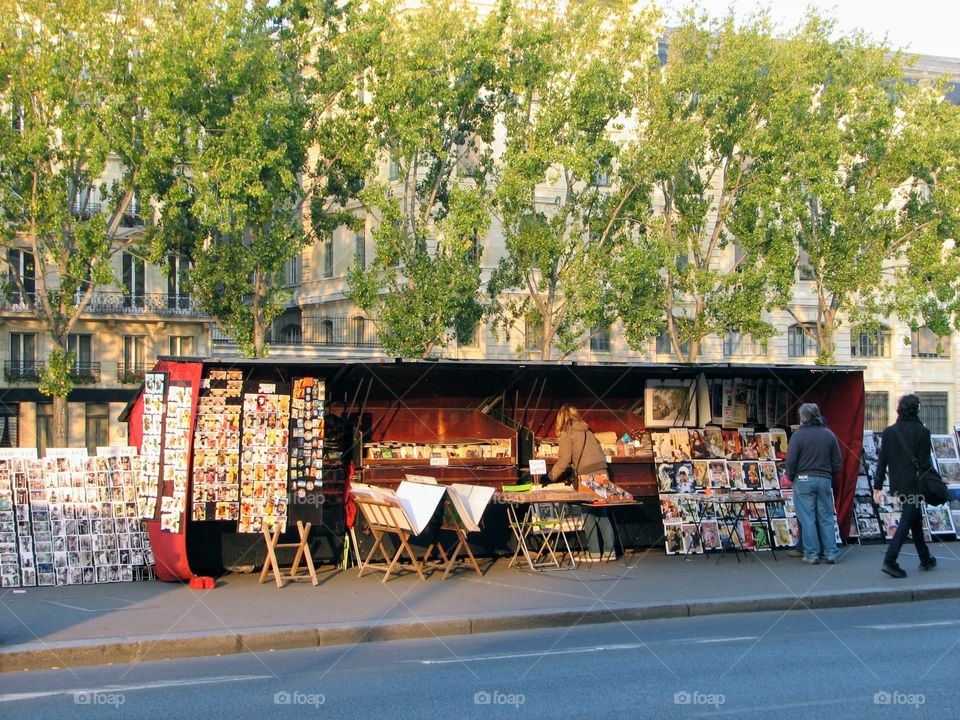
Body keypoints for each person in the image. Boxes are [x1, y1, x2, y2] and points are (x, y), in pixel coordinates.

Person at [873, 394, 936, 578]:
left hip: (898, 484)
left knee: (914, 518)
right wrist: (937, 479)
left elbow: (882, 460)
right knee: (908, 519)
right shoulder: (923, 432)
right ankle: (890, 560)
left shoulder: (889, 431)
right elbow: (925, 463)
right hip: (916, 485)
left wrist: (877, 486)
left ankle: (925, 558)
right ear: (917, 409)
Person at [548, 405, 615, 562]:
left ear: (561, 418)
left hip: (587, 475)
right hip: (602, 473)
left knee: (588, 513)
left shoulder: (567, 433)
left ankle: (594, 553)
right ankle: (609, 551)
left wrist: (550, 476)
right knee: (601, 512)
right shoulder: (587, 431)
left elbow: (564, 461)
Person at [783, 403, 842, 564]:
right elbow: (837, 461)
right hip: (824, 479)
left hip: (803, 479)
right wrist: (829, 474)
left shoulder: (798, 436)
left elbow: (792, 460)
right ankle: (831, 553)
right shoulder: (829, 434)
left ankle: (811, 554)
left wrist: (790, 475)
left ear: (803, 418)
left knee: (807, 518)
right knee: (826, 517)